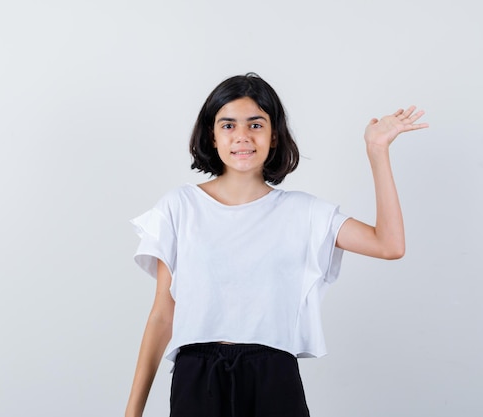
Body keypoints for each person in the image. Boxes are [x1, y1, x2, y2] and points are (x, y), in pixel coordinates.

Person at [125, 73, 428, 417]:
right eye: (228, 125)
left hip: (272, 375)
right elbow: (163, 315)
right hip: (198, 378)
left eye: (256, 125)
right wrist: (132, 412)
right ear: (211, 135)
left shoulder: (303, 212)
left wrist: (377, 150)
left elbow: (389, 244)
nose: (242, 136)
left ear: (273, 136)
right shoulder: (179, 207)